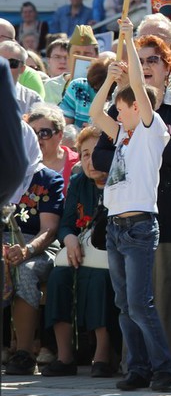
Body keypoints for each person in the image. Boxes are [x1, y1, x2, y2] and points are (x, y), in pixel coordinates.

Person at [92, 34, 171, 365]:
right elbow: (96, 121)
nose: (117, 115)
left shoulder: (155, 127)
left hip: (147, 221)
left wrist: (129, 39)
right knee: (126, 303)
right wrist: (110, 81)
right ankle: (135, 366)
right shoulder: (123, 129)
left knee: (148, 302)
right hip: (117, 224)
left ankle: (163, 365)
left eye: (121, 110)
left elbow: (138, 85)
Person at [41, 126, 117, 378]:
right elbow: (66, 224)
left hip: (110, 254)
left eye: (97, 153)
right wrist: (69, 238)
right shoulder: (78, 182)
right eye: (84, 154)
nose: (90, 160)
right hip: (80, 250)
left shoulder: (120, 182)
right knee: (58, 277)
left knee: (97, 278)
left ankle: (102, 356)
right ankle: (64, 356)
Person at [1, 121, 64, 377]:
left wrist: (26, 250)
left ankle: (24, 354)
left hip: (37, 245)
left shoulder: (47, 179)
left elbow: (49, 230)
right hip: (3, 244)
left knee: (25, 271)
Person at [27, 103, 79, 191]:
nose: (37, 138)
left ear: (60, 135)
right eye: (32, 132)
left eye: (44, 133)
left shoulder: (78, 164)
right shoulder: (22, 163)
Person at [2, 40, 44, 114]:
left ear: (22, 69)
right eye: (1, 61)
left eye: (12, 63)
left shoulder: (33, 100)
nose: (5, 67)